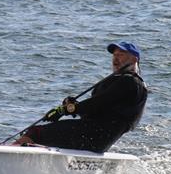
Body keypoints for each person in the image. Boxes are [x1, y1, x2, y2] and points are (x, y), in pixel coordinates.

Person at [14, 42, 147, 152]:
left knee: (35, 132)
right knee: (46, 135)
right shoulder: (121, 81)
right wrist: (73, 105)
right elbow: (98, 109)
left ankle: (14, 154)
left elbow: (97, 103)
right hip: (95, 139)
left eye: (121, 55)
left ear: (134, 59)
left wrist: (65, 110)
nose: (115, 59)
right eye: (114, 55)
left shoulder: (129, 82)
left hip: (92, 135)